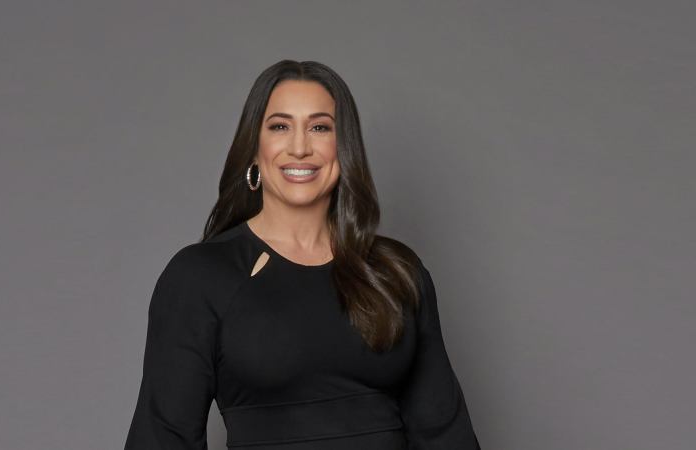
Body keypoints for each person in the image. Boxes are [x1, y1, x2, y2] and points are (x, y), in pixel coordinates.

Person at [123, 59, 481, 450]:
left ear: (343, 148)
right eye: (280, 126)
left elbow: (445, 433)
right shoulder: (200, 276)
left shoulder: (394, 271)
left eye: (319, 127)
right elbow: (162, 437)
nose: (299, 147)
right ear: (254, 149)